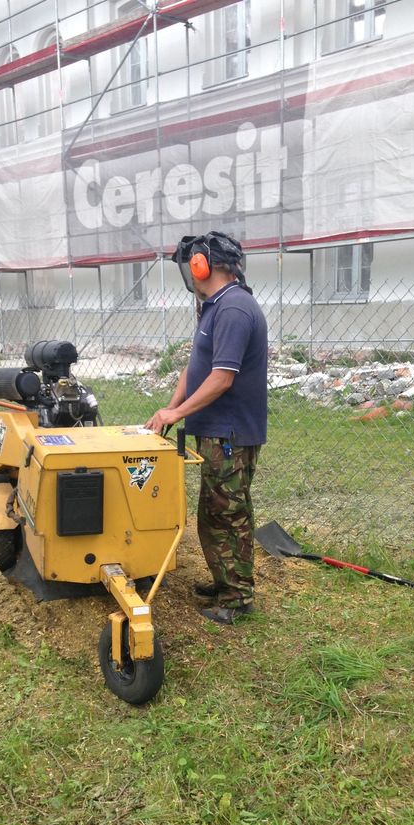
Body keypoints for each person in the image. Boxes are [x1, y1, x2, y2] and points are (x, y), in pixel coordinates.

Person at [145, 231, 268, 625]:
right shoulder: (214, 307)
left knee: (228, 513)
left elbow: (221, 378)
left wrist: (176, 416)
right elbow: (195, 367)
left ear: (202, 265)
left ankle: (236, 598)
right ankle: (224, 581)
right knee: (214, 512)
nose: (189, 273)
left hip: (229, 434)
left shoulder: (233, 309)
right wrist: (172, 407)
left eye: (191, 264)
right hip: (216, 431)